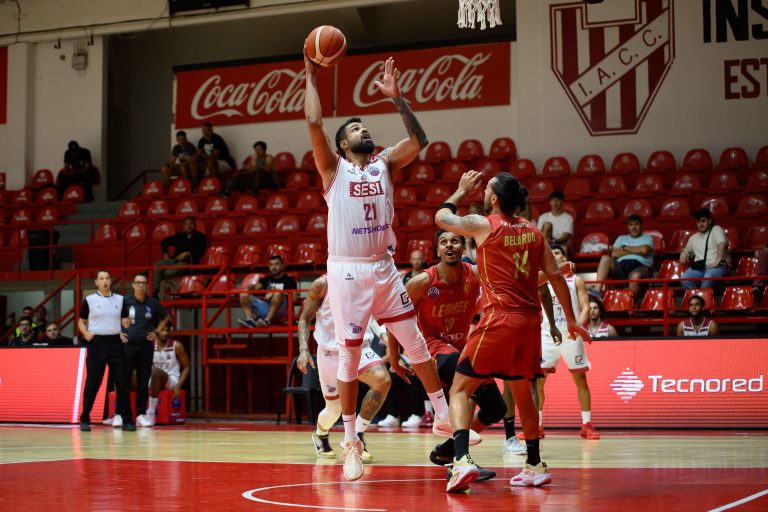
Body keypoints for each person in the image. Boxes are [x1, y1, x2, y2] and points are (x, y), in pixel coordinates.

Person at [305, 52, 451, 482]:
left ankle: (444, 418)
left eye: (364, 126)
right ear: (342, 145)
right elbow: (313, 122)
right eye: (354, 129)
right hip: (347, 271)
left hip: (384, 267)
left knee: (415, 343)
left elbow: (419, 140)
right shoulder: (332, 170)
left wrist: (397, 98)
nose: (362, 129)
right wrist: (310, 73)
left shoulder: (385, 162)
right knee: (351, 358)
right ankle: (351, 440)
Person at [435, 170, 589, 493]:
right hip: (529, 324)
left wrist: (460, 191)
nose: (482, 192)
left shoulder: (484, 225)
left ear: (493, 198)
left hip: (498, 320)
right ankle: (535, 465)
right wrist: (571, 320)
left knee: (459, 388)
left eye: (486, 189)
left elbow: (442, 218)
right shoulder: (534, 231)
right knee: (522, 393)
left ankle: (461, 460)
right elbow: (555, 276)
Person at [402, 229, 506, 481]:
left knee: (496, 408)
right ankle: (461, 461)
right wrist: (394, 356)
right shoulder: (422, 282)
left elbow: (509, 280)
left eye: (455, 241)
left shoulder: (475, 274)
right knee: (466, 381)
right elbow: (398, 318)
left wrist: (551, 274)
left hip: (460, 349)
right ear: (437, 251)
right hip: (433, 350)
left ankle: (448, 451)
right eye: (443, 242)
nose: (449, 245)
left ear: (463, 248)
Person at [297, 275, 391, 463]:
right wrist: (303, 349)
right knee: (334, 409)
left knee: (382, 380)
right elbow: (304, 319)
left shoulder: (366, 279)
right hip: (331, 352)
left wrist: (384, 336)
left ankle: (356, 436)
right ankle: (320, 434)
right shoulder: (322, 284)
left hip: (360, 348)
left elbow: (372, 315)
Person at [537, 245, 600, 440]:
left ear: (564, 257)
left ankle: (587, 424)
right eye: (551, 253)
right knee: (538, 382)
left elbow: (585, 307)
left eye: (557, 252)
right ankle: (537, 425)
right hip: (547, 335)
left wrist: (578, 326)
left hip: (570, 335)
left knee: (581, 380)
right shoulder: (541, 279)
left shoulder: (576, 280)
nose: (553, 255)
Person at [77, 270, 134, 432]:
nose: (105, 281)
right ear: (96, 282)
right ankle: (85, 418)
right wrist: (86, 333)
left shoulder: (120, 299)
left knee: (122, 383)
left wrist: (126, 324)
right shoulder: (90, 300)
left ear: (110, 280)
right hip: (97, 344)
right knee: (93, 382)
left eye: (107, 278)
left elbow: (125, 320)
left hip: (115, 343)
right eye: (101, 279)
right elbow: (81, 321)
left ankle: (127, 420)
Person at [121, 272, 171, 427]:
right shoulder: (125, 301)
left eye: (143, 282)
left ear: (147, 285)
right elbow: (114, 316)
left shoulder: (153, 303)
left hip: (145, 347)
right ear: (133, 285)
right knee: (124, 380)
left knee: (143, 382)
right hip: (128, 346)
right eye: (138, 282)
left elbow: (166, 317)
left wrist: (156, 332)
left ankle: (141, 415)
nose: (141, 285)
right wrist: (119, 332)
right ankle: (122, 415)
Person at [593, 215, 654, 296]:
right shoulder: (621, 238)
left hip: (639, 267)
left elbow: (644, 250)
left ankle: (629, 301)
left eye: (636, 224)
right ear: (628, 227)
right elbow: (614, 253)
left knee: (635, 277)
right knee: (605, 258)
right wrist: (636, 250)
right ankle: (597, 291)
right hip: (620, 267)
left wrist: (624, 247)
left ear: (641, 226)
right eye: (631, 225)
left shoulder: (648, 238)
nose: (633, 227)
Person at [153, 216, 208, 297]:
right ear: (184, 226)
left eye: (191, 224)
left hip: (187, 263)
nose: (189, 226)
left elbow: (201, 252)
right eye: (186, 224)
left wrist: (187, 253)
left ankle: (156, 289)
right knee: (156, 265)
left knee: (166, 273)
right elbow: (164, 242)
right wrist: (165, 255)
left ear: (195, 225)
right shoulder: (180, 236)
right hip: (173, 259)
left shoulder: (201, 237)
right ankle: (154, 293)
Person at [148, 324, 191, 424]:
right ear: (156, 331)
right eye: (162, 330)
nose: (165, 333)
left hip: (171, 379)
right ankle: (121, 414)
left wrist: (178, 386)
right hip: (153, 378)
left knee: (156, 372)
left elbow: (187, 367)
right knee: (128, 374)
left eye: (167, 330)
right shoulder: (149, 345)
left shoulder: (177, 346)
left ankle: (151, 413)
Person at [238, 255, 297, 328]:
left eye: (276, 264)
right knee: (244, 294)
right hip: (266, 306)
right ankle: (250, 320)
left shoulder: (290, 280)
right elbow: (255, 287)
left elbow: (294, 299)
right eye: (271, 265)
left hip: (281, 309)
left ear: (282, 266)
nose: (273, 267)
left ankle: (267, 321)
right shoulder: (266, 279)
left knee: (278, 293)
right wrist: (250, 287)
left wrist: (276, 292)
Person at [680, 208, 730, 289]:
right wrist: (683, 255)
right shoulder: (693, 238)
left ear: (709, 221)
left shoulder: (716, 229)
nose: (700, 224)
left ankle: (703, 296)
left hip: (718, 267)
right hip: (700, 268)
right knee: (684, 278)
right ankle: (696, 296)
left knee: (708, 276)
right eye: (698, 222)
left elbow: (722, 244)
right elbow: (686, 252)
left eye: (703, 221)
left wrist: (717, 262)